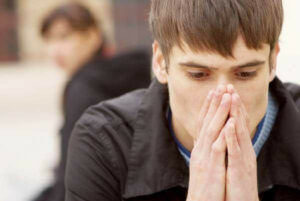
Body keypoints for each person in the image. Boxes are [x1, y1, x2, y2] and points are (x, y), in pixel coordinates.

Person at [65, 0, 300, 200]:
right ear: (160, 63)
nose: (223, 97)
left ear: (272, 63)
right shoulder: (105, 142)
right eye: (198, 75)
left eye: (245, 74)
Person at [32, 3, 151, 201]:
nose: (55, 50)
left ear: (93, 36)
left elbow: (70, 168)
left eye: (64, 37)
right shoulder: (132, 73)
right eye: (49, 40)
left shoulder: (82, 88)